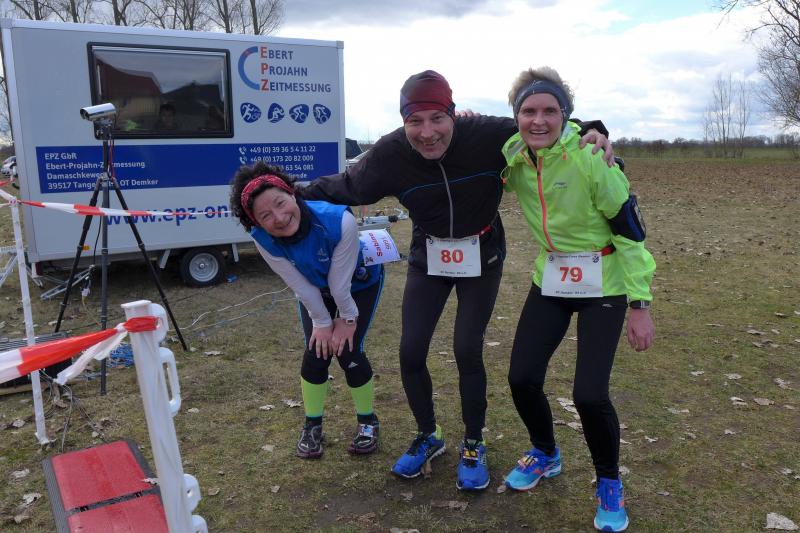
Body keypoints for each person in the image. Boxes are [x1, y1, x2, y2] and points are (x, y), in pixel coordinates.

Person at [303, 70, 615, 491]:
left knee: (467, 349)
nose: (427, 132)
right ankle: (427, 435)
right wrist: (286, 193)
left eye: (437, 118)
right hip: (428, 257)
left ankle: (473, 442)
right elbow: (346, 186)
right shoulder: (392, 152)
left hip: (481, 255)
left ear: (453, 114)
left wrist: (594, 129)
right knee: (410, 351)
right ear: (403, 121)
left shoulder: (485, 133)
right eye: (415, 121)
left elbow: (544, 126)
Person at [499, 66, 655, 532]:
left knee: (588, 394)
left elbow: (631, 232)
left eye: (550, 111)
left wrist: (640, 305)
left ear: (566, 115)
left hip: (604, 282)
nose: (539, 120)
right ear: (516, 116)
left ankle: (609, 481)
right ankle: (546, 452)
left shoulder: (592, 156)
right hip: (551, 278)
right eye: (529, 111)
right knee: (521, 378)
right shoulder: (513, 156)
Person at [230, 163, 384, 459]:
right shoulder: (262, 238)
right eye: (265, 215)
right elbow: (300, 285)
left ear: (292, 193)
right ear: (256, 222)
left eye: (280, 203)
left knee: (348, 350)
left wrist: (347, 318)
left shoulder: (339, 220)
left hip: (358, 283)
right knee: (317, 351)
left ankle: (368, 422)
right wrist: (322, 323)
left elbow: (340, 286)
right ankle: (312, 426)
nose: (278, 217)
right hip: (315, 288)